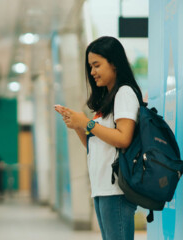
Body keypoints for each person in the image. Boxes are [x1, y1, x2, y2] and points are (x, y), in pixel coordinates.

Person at [55, 36, 142, 240]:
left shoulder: (124, 93)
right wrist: (78, 126)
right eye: (90, 67)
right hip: (103, 187)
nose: (92, 72)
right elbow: (94, 146)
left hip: (117, 189)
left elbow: (123, 139)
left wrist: (86, 123)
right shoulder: (106, 100)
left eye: (97, 65)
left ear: (114, 63)